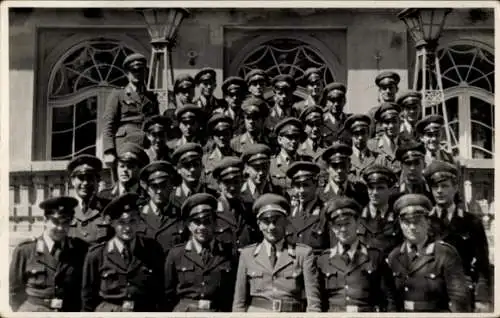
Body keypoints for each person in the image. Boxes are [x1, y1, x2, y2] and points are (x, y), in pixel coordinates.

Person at [232, 193, 321, 312]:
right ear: (259, 225)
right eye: (266, 221)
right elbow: (239, 303)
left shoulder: (302, 254)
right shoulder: (247, 255)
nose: (271, 227)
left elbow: (313, 304)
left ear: (286, 222)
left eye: (276, 220)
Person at [424, 160, 491, 312]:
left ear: (455, 188)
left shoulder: (471, 222)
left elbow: (482, 264)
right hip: (432, 293)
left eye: (445, 185)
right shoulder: (425, 221)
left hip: (462, 292)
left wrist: (482, 298)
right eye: (435, 186)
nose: (439, 191)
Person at [386, 194, 470, 312]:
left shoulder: (445, 253)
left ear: (428, 221)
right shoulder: (394, 256)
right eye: (406, 222)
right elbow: (391, 301)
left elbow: (459, 300)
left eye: (417, 221)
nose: (412, 227)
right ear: (400, 223)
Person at [81, 193, 164, 312]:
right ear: (112, 223)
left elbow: (160, 292)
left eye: (132, 221)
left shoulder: (152, 249)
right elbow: (87, 298)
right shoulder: (97, 255)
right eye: (122, 222)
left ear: (140, 221)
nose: (127, 228)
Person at [318, 197, 396, 312]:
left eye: (347, 223)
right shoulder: (324, 260)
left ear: (358, 223)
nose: (343, 229)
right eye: (339, 225)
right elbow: (320, 300)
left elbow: (389, 298)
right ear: (333, 228)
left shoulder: (375, 257)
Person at [10, 196, 88, 312]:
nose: (60, 228)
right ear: (45, 220)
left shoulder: (79, 249)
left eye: (66, 222)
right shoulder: (25, 250)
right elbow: (14, 291)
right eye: (55, 221)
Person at [163, 193, 238, 312]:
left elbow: (233, 291)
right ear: (189, 225)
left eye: (207, 221)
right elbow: (168, 293)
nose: (202, 227)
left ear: (215, 223)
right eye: (197, 222)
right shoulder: (176, 254)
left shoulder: (228, 252)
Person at [102, 53, 159, 166]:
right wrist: (109, 151)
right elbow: (108, 124)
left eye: (141, 70)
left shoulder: (151, 97)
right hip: (124, 145)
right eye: (134, 70)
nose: (138, 74)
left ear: (145, 72)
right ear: (127, 73)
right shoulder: (118, 95)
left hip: (146, 146)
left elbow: (154, 123)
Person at [136, 160, 186, 254]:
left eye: (163, 186)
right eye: (154, 186)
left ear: (171, 186)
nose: (159, 191)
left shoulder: (181, 215)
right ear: (147, 189)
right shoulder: (138, 216)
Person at [212, 156, 261, 250]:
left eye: (236, 182)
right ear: (219, 183)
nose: (232, 187)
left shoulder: (250, 209)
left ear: (242, 182)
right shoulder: (213, 213)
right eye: (227, 182)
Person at [285, 161, 329, 255]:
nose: (301, 190)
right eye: (297, 186)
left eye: (306, 185)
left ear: (316, 185)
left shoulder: (326, 213)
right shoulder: (288, 213)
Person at [357, 164, 402, 256]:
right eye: (371, 188)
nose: (375, 193)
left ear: (390, 190)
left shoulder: (398, 218)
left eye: (380, 188)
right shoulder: (357, 217)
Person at [66, 155, 111, 245]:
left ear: (97, 181)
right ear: (72, 181)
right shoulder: (65, 208)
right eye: (81, 178)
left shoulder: (108, 208)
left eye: (90, 178)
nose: (85, 183)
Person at [319, 142, 368, 207]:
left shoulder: (360, 191)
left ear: (350, 166)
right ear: (327, 168)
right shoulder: (320, 195)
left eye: (343, 165)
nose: (339, 170)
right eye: (334, 166)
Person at [269, 117, 311, 190]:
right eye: (290, 137)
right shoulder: (271, 164)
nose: (294, 141)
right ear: (279, 140)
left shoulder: (306, 162)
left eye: (296, 137)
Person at [171, 142, 216, 208]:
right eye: (187, 165)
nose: (192, 169)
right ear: (178, 169)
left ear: (201, 166)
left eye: (196, 164)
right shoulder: (172, 198)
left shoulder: (212, 194)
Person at [367, 102, 406, 176]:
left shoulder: (406, 146)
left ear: (400, 123)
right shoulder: (371, 146)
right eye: (387, 122)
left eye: (394, 121)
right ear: (381, 124)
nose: (391, 126)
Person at [240, 143, 282, 209]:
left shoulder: (277, 192)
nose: (261, 172)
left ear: (269, 165)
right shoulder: (239, 193)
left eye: (265, 167)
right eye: (256, 168)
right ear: (247, 168)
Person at [203, 114, 239, 188]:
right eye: (218, 134)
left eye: (225, 133)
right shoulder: (205, 160)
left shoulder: (239, 157)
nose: (222, 137)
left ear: (231, 134)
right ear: (213, 137)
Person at [344, 114, 380, 182]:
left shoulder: (378, 158)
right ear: (350, 135)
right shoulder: (344, 160)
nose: (360, 138)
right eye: (356, 133)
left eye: (363, 133)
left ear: (368, 133)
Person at [265, 74, 298, 141]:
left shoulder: (297, 114)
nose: (284, 96)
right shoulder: (266, 114)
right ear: (275, 94)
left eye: (287, 93)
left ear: (292, 94)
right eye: (280, 93)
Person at [163, 74, 196, 141]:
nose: (187, 95)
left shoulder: (198, 114)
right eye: (184, 91)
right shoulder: (169, 115)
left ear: (193, 93)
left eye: (190, 91)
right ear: (177, 93)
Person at [368, 71, 400, 137]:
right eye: (384, 88)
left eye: (391, 88)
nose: (388, 91)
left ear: (396, 89)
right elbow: (369, 138)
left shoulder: (402, 111)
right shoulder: (373, 113)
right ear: (380, 91)